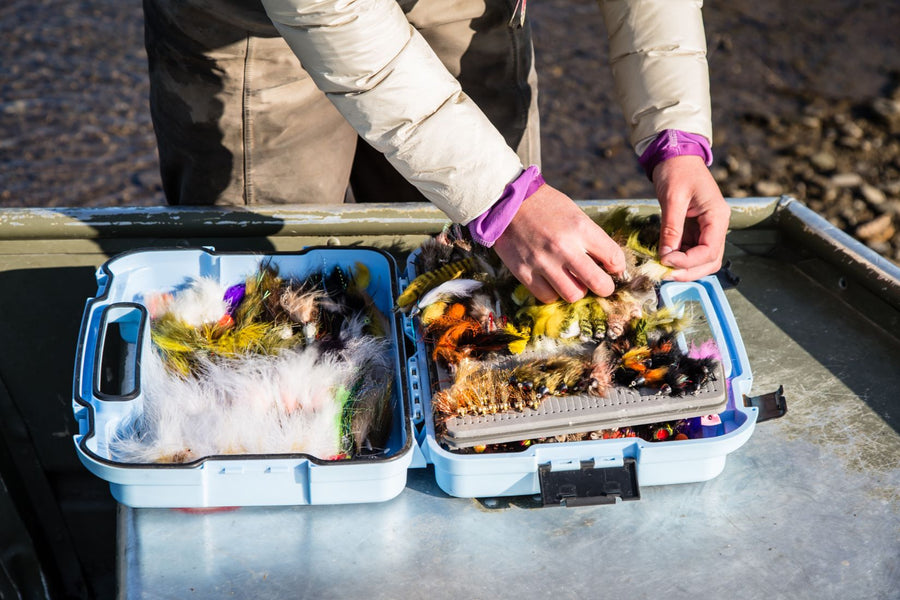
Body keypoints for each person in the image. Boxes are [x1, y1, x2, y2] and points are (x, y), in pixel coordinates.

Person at [143, 0, 730, 304]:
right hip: (250, 22)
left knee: (487, 280)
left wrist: (674, 134)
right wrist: (503, 199)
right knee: (269, 290)